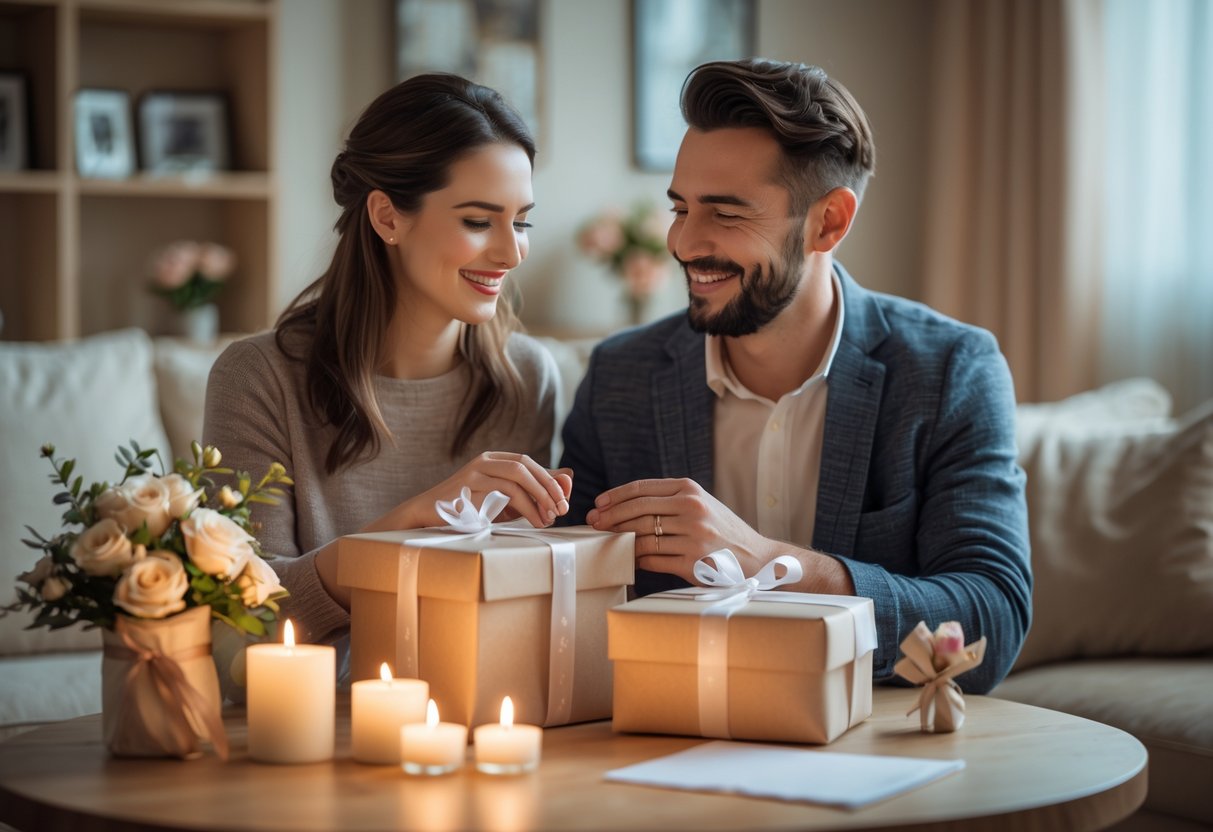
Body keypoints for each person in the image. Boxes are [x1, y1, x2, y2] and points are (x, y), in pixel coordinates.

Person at [559, 59, 1031, 693]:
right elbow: (568, 597)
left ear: (829, 221)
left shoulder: (951, 371)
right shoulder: (621, 376)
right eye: (680, 207)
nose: (684, 242)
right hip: (669, 740)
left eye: (725, 214)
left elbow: (990, 619)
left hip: (872, 752)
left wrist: (771, 565)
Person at [204, 74, 570, 647]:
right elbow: (239, 626)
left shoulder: (526, 378)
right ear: (387, 217)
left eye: (520, 220)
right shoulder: (259, 379)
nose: (512, 251)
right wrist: (408, 528)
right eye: (479, 221)